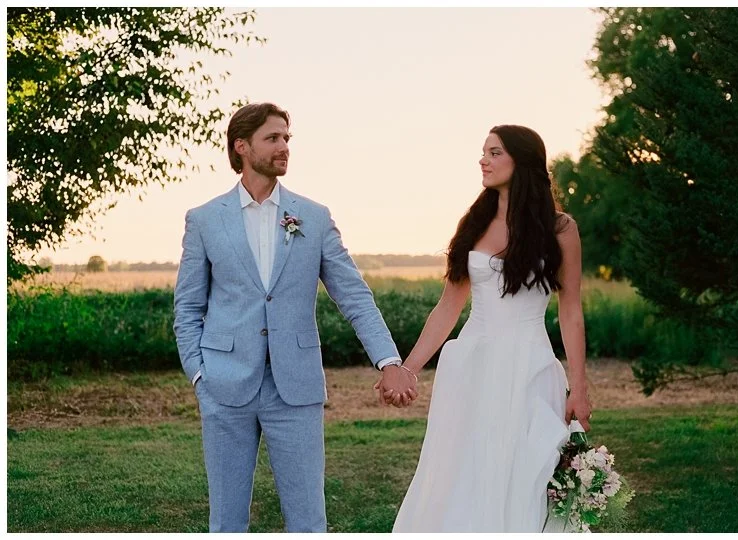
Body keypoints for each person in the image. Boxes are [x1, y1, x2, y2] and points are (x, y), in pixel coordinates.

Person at [173, 102, 417, 533]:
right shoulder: (205, 220)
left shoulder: (314, 217)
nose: (284, 146)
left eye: (287, 138)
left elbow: (354, 296)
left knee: (307, 519)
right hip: (224, 384)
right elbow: (188, 308)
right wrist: (199, 375)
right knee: (226, 519)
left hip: (296, 387)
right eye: (274, 138)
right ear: (242, 146)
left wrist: (390, 361)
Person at [381, 125, 592, 532]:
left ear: (523, 161)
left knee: (528, 469)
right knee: (465, 469)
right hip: (472, 366)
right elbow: (448, 307)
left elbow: (571, 312)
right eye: (483, 152)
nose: (483, 160)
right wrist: (408, 368)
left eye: (494, 153)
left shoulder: (560, 229)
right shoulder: (474, 223)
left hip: (529, 366)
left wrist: (579, 388)